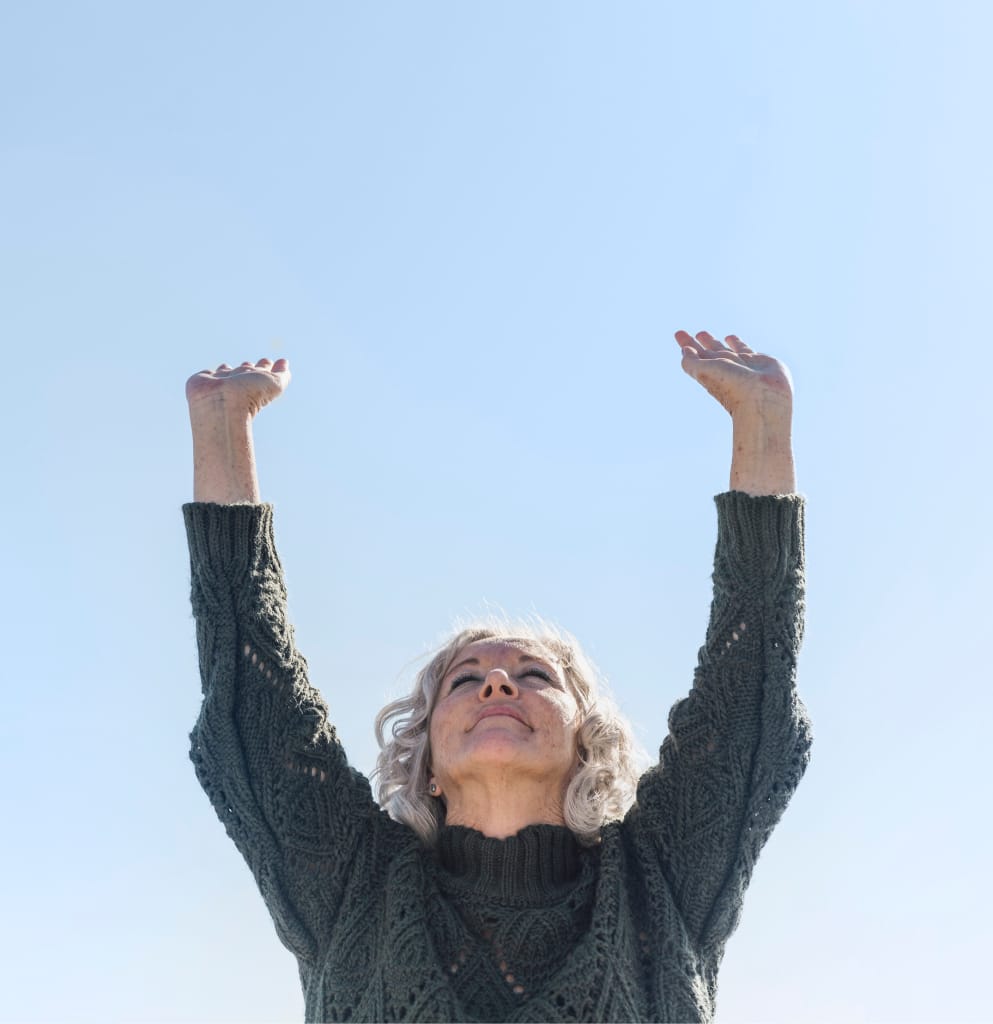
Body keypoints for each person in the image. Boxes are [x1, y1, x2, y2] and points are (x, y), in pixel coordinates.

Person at [182, 331, 811, 1023]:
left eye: (533, 674)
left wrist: (761, 420)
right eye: (463, 680)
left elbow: (749, 694)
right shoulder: (352, 883)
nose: (497, 685)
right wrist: (221, 424)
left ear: (587, 744)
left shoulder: (660, 877)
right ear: (423, 761)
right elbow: (255, 701)